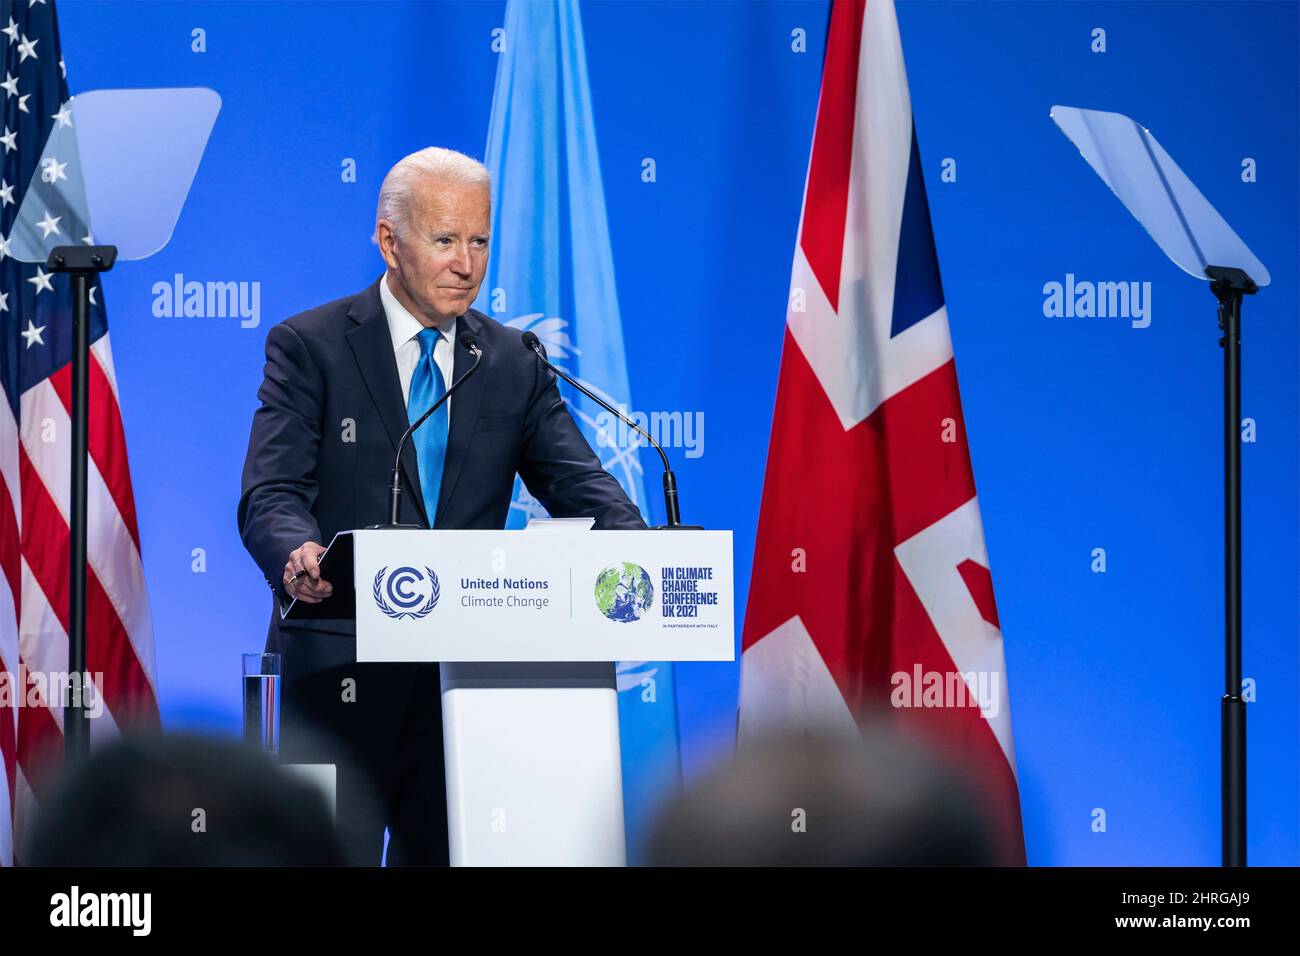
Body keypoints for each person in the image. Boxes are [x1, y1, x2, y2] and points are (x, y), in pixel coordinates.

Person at [237, 146, 645, 865]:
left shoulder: (514, 360)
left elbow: (584, 486)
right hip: (341, 675)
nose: (467, 263)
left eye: (480, 240)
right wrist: (296, 551)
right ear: (390, 241)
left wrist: (643, 550)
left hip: (468, 692)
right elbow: (271, 493)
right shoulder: (312, 345)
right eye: (446, 240)